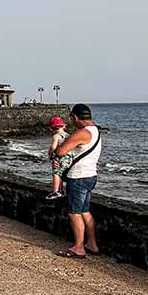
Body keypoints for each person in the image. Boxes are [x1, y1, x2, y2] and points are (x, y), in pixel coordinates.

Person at [53, 104, 102, 259]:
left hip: (78, 177)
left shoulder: (82, 133)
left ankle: (79, 247)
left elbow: (60, 152)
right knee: (85, 211)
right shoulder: (96, 131)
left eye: (72, 119)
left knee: (74, 213)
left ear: (75, 117)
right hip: (91, 176)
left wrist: (57, 146)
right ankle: (92, 244)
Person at [45, 115, 70, 200]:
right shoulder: (68, 135)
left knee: (56, 173)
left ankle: (56, 191)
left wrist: (49, 153)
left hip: (59, 156)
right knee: (62, 174)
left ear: (52, 128)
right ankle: (62, 191)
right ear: (64, 125)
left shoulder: (56, 136)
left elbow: (53, 147)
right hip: (68, 157)